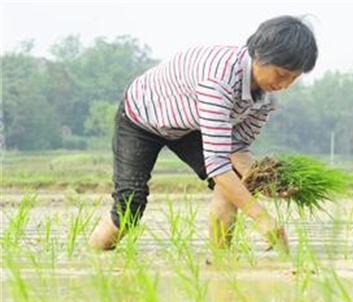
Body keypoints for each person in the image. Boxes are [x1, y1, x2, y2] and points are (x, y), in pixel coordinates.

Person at [88, 15, 318, 252]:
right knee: (129, 208)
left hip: (190, 124)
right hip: (142, 118)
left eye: (293, 78)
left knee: (232, 185)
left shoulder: (267, 99)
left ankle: (220, 264)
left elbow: (235, 148)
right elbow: (218, 165)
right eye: (281, 74)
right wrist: (262, 218)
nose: (285, 85)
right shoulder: (218, 81)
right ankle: (93, 257)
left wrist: (266, 181)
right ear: (259, 54)